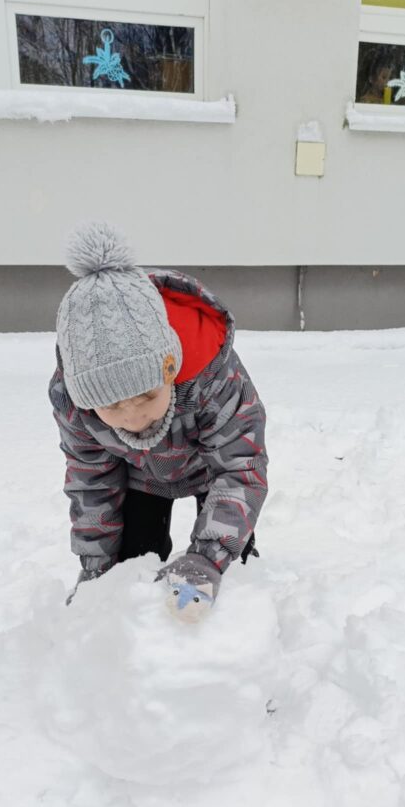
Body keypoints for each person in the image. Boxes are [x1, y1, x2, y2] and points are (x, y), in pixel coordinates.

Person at [49, 221, 268, 619]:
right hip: (137, 475)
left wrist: (209, 557)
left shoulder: (213, 379)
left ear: (171, 369)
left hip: (210, 468)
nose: (132, 417)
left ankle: (239, 630)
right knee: (130, 567)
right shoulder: (74, 403)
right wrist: (97, 574)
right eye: (111, 407)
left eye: (146, 396)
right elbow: (91, 483)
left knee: (231, 568)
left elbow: (240, 468)